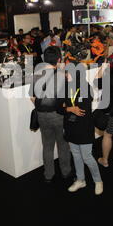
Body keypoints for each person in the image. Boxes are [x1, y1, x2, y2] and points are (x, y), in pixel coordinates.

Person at [30, 46, 72, 183]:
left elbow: (32, 97)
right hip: (59, 115)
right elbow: (67, 99)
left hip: (42, 115)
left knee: (47, 146)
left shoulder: (36, 75)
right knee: (63, 145)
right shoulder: (62, 76)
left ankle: (48, 174)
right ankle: (66, 172)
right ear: (59, 59)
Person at [62, 68, 103, 195]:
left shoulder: (85, 88)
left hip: (84, 127)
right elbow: (59, 107)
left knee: (86, 156)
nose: (65, 75)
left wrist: (68, 108)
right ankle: (80, 180)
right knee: (75, 154)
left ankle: (98, 181)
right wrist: (70, 109)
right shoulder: (64, 87)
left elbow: (82, 110)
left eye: (67, 73)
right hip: (70, 126)